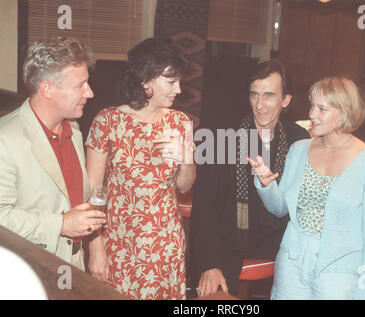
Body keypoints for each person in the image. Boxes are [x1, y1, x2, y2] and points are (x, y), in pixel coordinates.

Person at [249, 76, 365, 300]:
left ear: (345, 112)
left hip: (339, 273)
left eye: (322, 108)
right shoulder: (299, 149)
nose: (312, 114)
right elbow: (279, 208)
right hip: (291, 263)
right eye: (312, 105)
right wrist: (266, 184)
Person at [85, 37, 195, 300]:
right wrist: (95, 248)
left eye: (179, 81)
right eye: (171, 81)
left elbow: (185, 186)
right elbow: (91, 192)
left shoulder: (180, 122)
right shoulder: (107, 121)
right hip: (119, 245)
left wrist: (185, 157)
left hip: (167, 245)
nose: (178, 89)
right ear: (145, 80)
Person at [190, 60, 309, 297]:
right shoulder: (222, 138)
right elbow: (205, 206)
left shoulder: (299, 138)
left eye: (269, 96)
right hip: (228, 239)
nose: (260, 105)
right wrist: (208, 263)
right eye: (254, 95)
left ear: (285, 100)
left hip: (278, 239)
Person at [0, 37, 106, 270]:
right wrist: (59, 224)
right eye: (80, 85)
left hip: (73, 267)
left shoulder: (74, 129)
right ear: (47, 88)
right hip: (27, 271)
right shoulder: (5, 139)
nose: (90, 92)